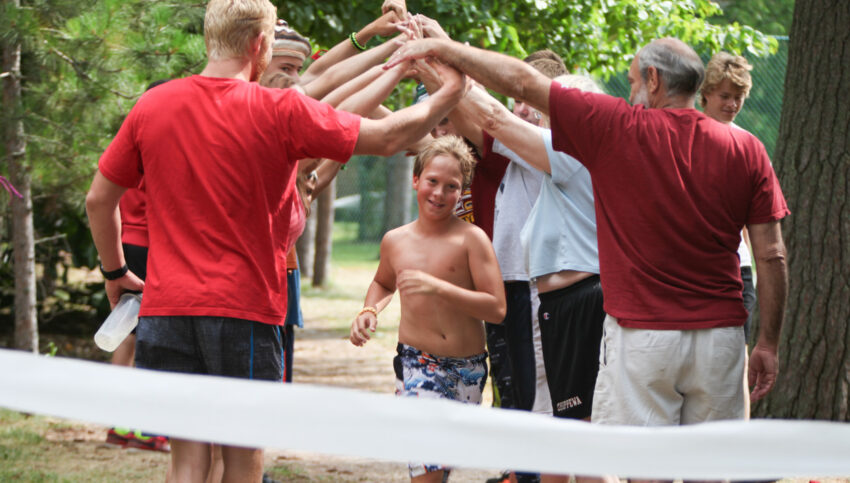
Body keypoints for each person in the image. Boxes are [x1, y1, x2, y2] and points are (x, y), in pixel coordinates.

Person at [85, 0, 466, 479]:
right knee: (243, 456)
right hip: (243, 310)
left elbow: (99, 200)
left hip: (167, 309)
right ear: (260, 46)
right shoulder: (279, 109)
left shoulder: (153, 104)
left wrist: (115, 272)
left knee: (187, 458)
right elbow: (390, 137)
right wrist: (454, 87)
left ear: (209, 38)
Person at [388, 36, 789, 479]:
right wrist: (767, 340)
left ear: (654, 81)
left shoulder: (618, 129)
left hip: (645, 335)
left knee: (644, 469)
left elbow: (515, 89)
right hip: (720, 336)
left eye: (635, 80)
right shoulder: (746, 146)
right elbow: (771, 254)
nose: (631, 91)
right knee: (710, 468)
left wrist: (443, 48)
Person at [453, 73, 610, 483]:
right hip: (567, 299)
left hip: (575, 300)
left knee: (573, 422)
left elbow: (491, 117)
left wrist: (447, 59)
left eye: (548, 109)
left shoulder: (569, 153)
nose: (540, 116)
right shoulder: (591, 150)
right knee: (562, 418)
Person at [349, 135, 506, 483]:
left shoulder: (472, 239)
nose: (439, 193)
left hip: (468, 370)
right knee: (427, 471)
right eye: (432, 181)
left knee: (441, 466)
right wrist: (369, 310)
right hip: (418, 365)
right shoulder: (396, 240)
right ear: (416, 180)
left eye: (451, 186)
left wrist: (440, 288)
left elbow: (496, 308)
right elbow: (384, 283)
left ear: (462, 191)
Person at [700, 52, 758, 341]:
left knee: (738, 358)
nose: (732, 104)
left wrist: (749, 270)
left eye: (739, 96)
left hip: (738, 268)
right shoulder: (685, 137)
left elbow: (751, 218)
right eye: (725, 95)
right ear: (706, 92)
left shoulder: (748, 145)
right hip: (696, 269)